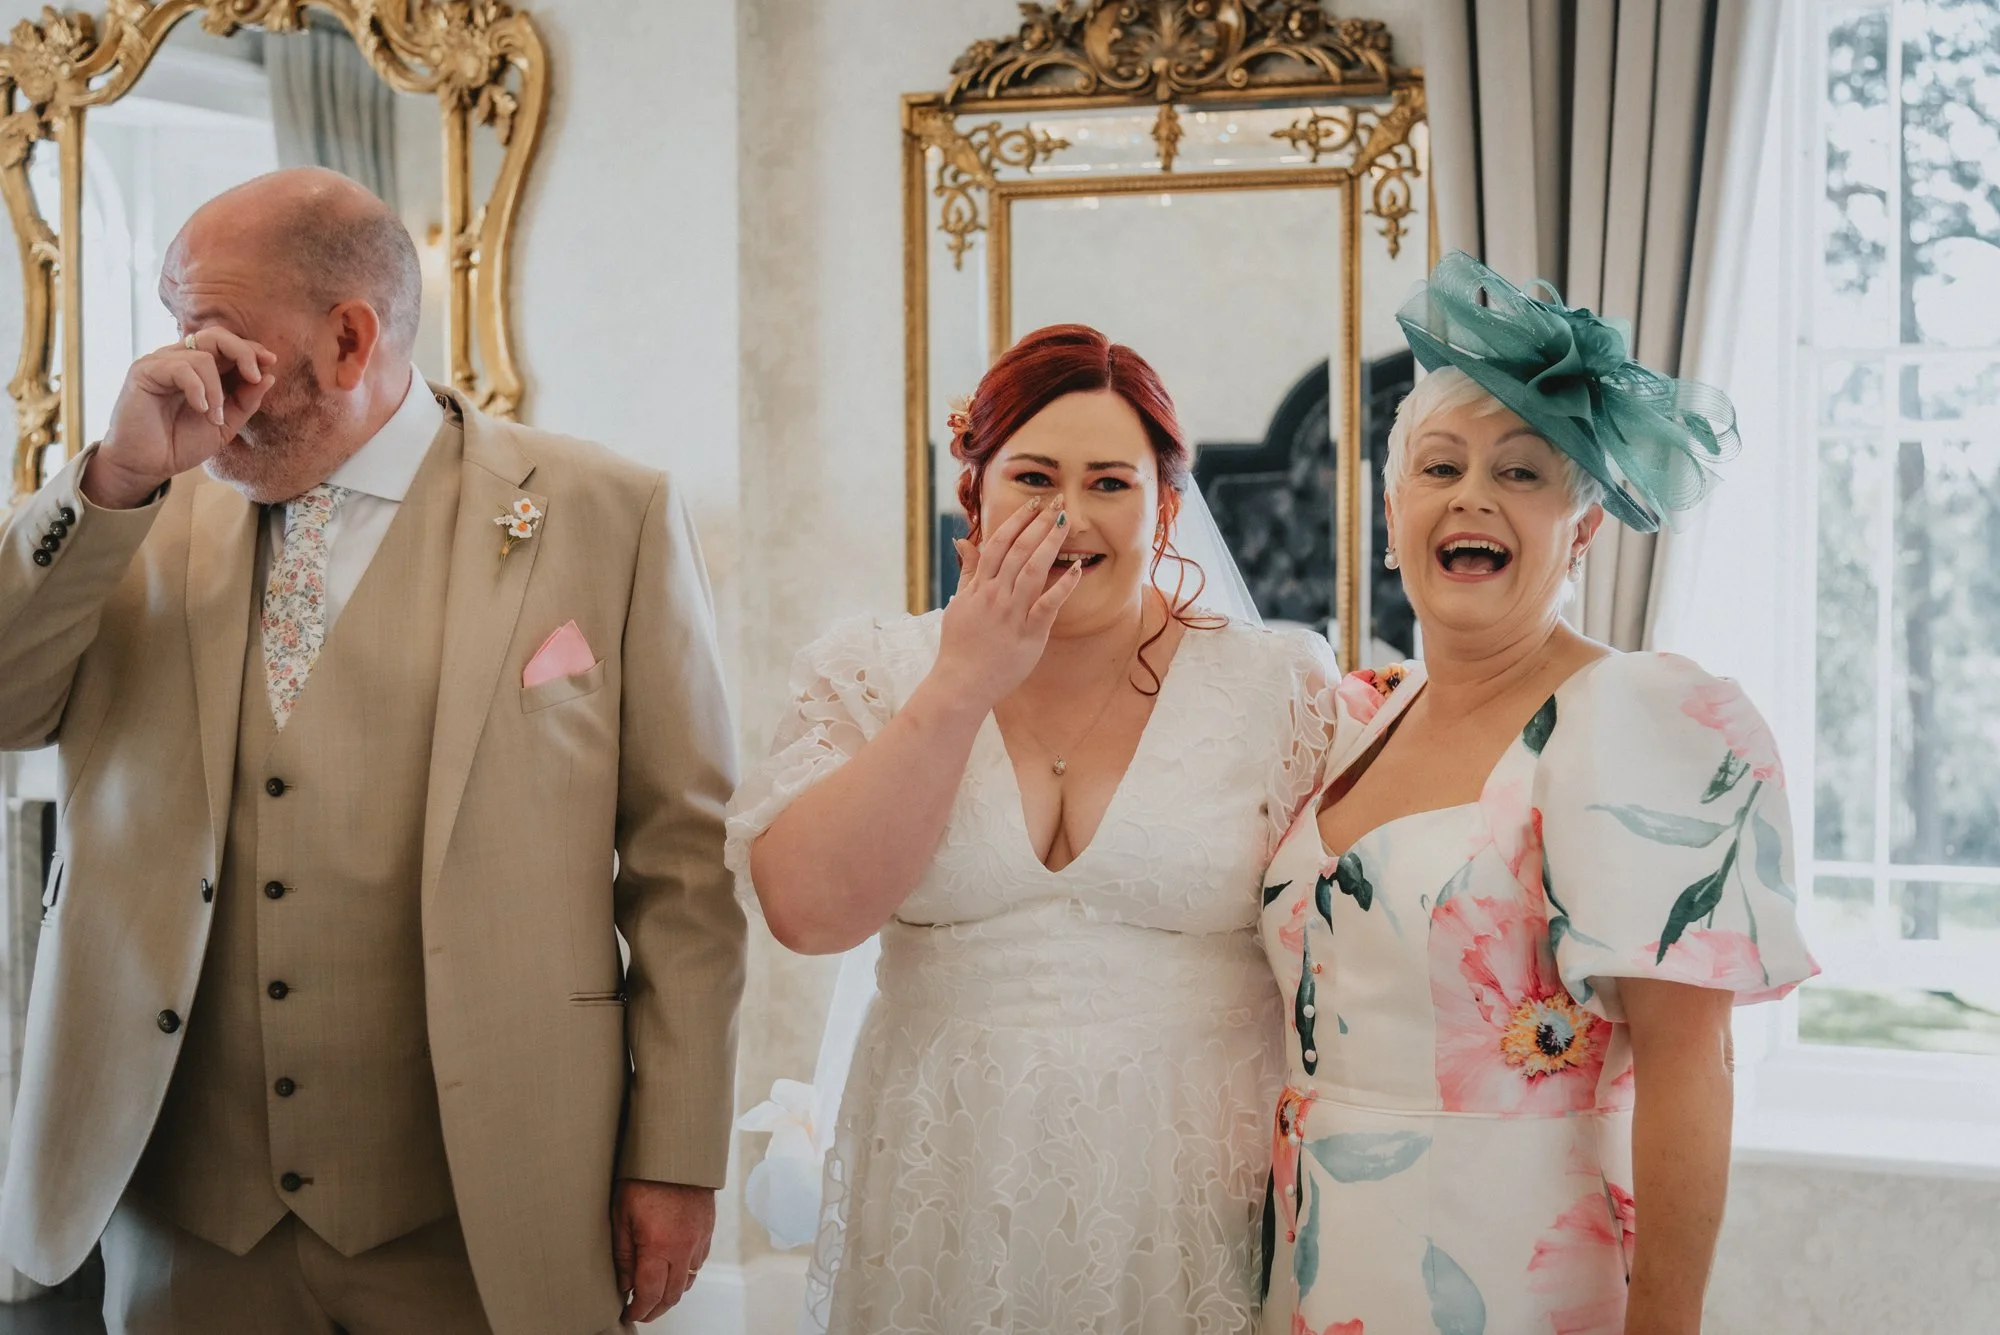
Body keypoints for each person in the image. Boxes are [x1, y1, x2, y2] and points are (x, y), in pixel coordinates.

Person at [0, 168, 745, 1335]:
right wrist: (117, 480)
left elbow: (682, 867)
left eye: (219, 337)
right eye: (177, 328)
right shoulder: (131, 501)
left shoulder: (609, 512)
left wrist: (676, 1154)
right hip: (185, 1214)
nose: (185, 366)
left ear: (349, 340)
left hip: (484, 1208)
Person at [729, 323, 1336, 1334]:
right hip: (947, 1172)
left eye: (1109, 483)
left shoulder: (1279, 685)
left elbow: (1340, 959)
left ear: (1165, 506)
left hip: (1194, 1191)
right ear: (975, 491)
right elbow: (806, 913)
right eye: (1034, 478)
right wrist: (961, 683)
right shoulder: (870, 669)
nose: (1069, 516)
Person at [1258, 252, 1817, 1335]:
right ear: (1393, 510)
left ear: (1584, 529)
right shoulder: (1356, 718)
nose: (1472, 493)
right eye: (1439, 466)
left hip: (1511, 1271)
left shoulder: (1631, 721)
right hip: (1311, 1262)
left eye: (1521, 472)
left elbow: (1689, 1067)